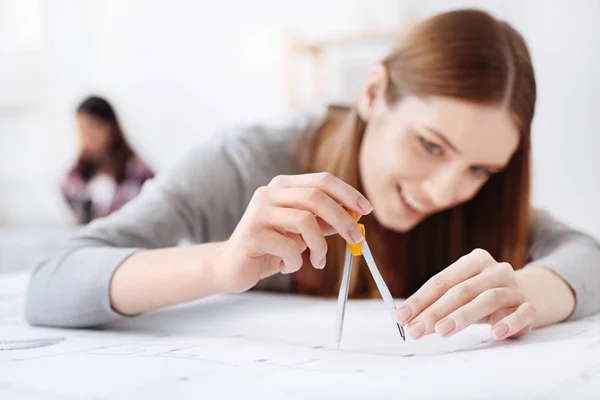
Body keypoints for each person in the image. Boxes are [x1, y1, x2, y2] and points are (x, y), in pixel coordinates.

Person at [26, 9, 600, 342]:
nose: (447, 190)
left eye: (480, 168)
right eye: (430, 144)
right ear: (372, 93)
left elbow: (585, 254)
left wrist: (531, 290)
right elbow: (53, 282)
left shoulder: (479, 206)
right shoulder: (246, 163)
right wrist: (223, 264)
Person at [60, 96, 155, 224]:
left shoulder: (140, 173)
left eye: (91, 129)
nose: (87, 139)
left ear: (111, 127)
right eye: (82, 132)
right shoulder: (78, 176)